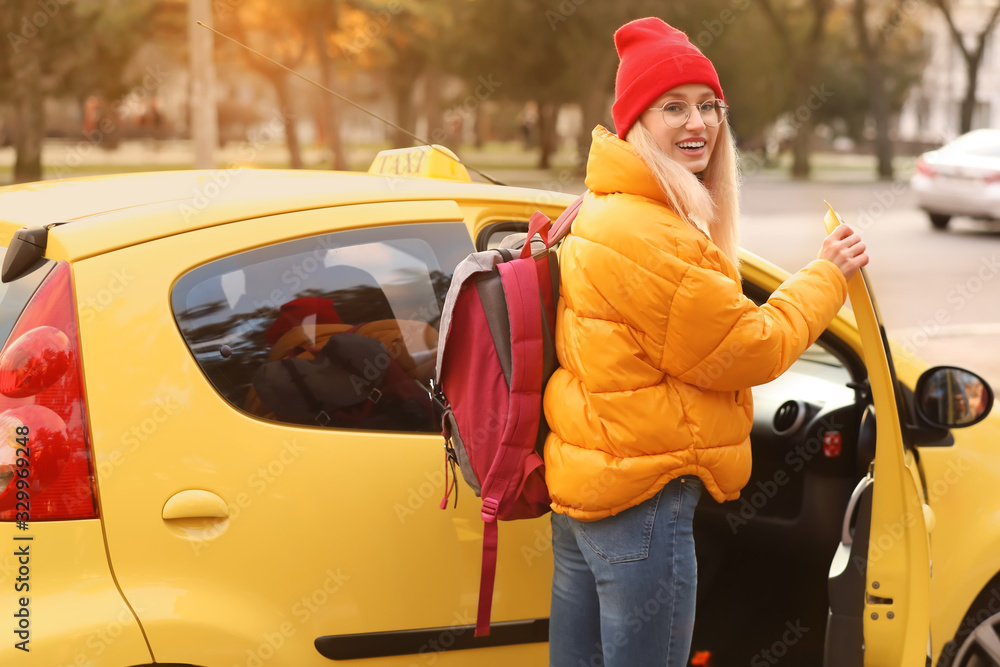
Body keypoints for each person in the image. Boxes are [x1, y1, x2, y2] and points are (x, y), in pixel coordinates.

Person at [542, 17, 868, 667]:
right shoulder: (656, 237)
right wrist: (828, 274)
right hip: (643, 501)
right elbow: (752, 347)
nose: (698, 123)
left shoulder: (606, 205)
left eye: (708, 106)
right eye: (673, 108)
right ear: (637, 120)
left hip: (587, 486)